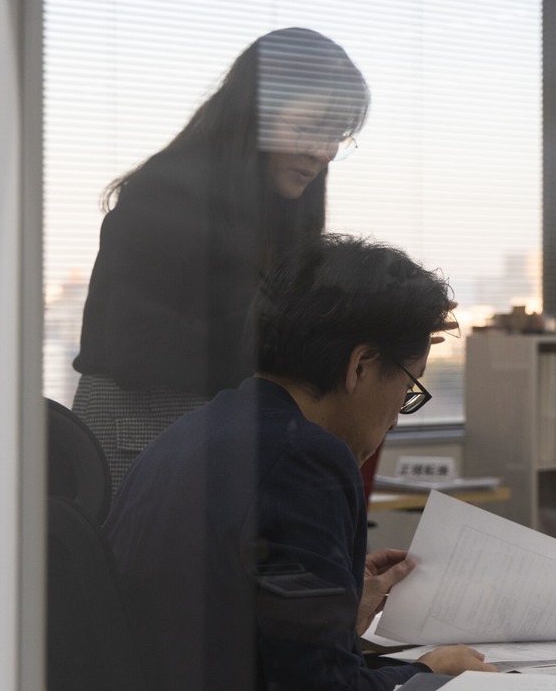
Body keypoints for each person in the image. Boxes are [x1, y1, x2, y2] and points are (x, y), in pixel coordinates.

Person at [104, 234, 497, 691]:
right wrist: (431, 671)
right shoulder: (304, 459)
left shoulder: (196, 432)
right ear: (362, 366)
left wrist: (336, 614)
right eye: (409, 389)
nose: (395, 419)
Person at [72, 27, 370, 494]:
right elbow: (137, 348)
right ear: (256, 112)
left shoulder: (279, 201)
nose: (322, 152)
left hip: (214, 435)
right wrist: (292, 346)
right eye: (309, 128)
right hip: (139, 436)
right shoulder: (169, 191)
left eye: (338, 136)